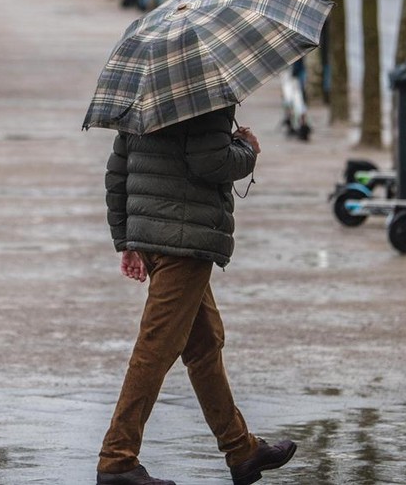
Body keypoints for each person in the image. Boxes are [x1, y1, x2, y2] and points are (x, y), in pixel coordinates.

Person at [97, 105, 297, 485]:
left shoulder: (141, 101)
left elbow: (117, 171)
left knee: (205, 343)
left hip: (155, 237)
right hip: (184, 241)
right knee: (155, 348)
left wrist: (126, 239)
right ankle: (116, 460)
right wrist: (247, 149)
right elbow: (211, 162)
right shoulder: (205, 102)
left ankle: (242, 450)